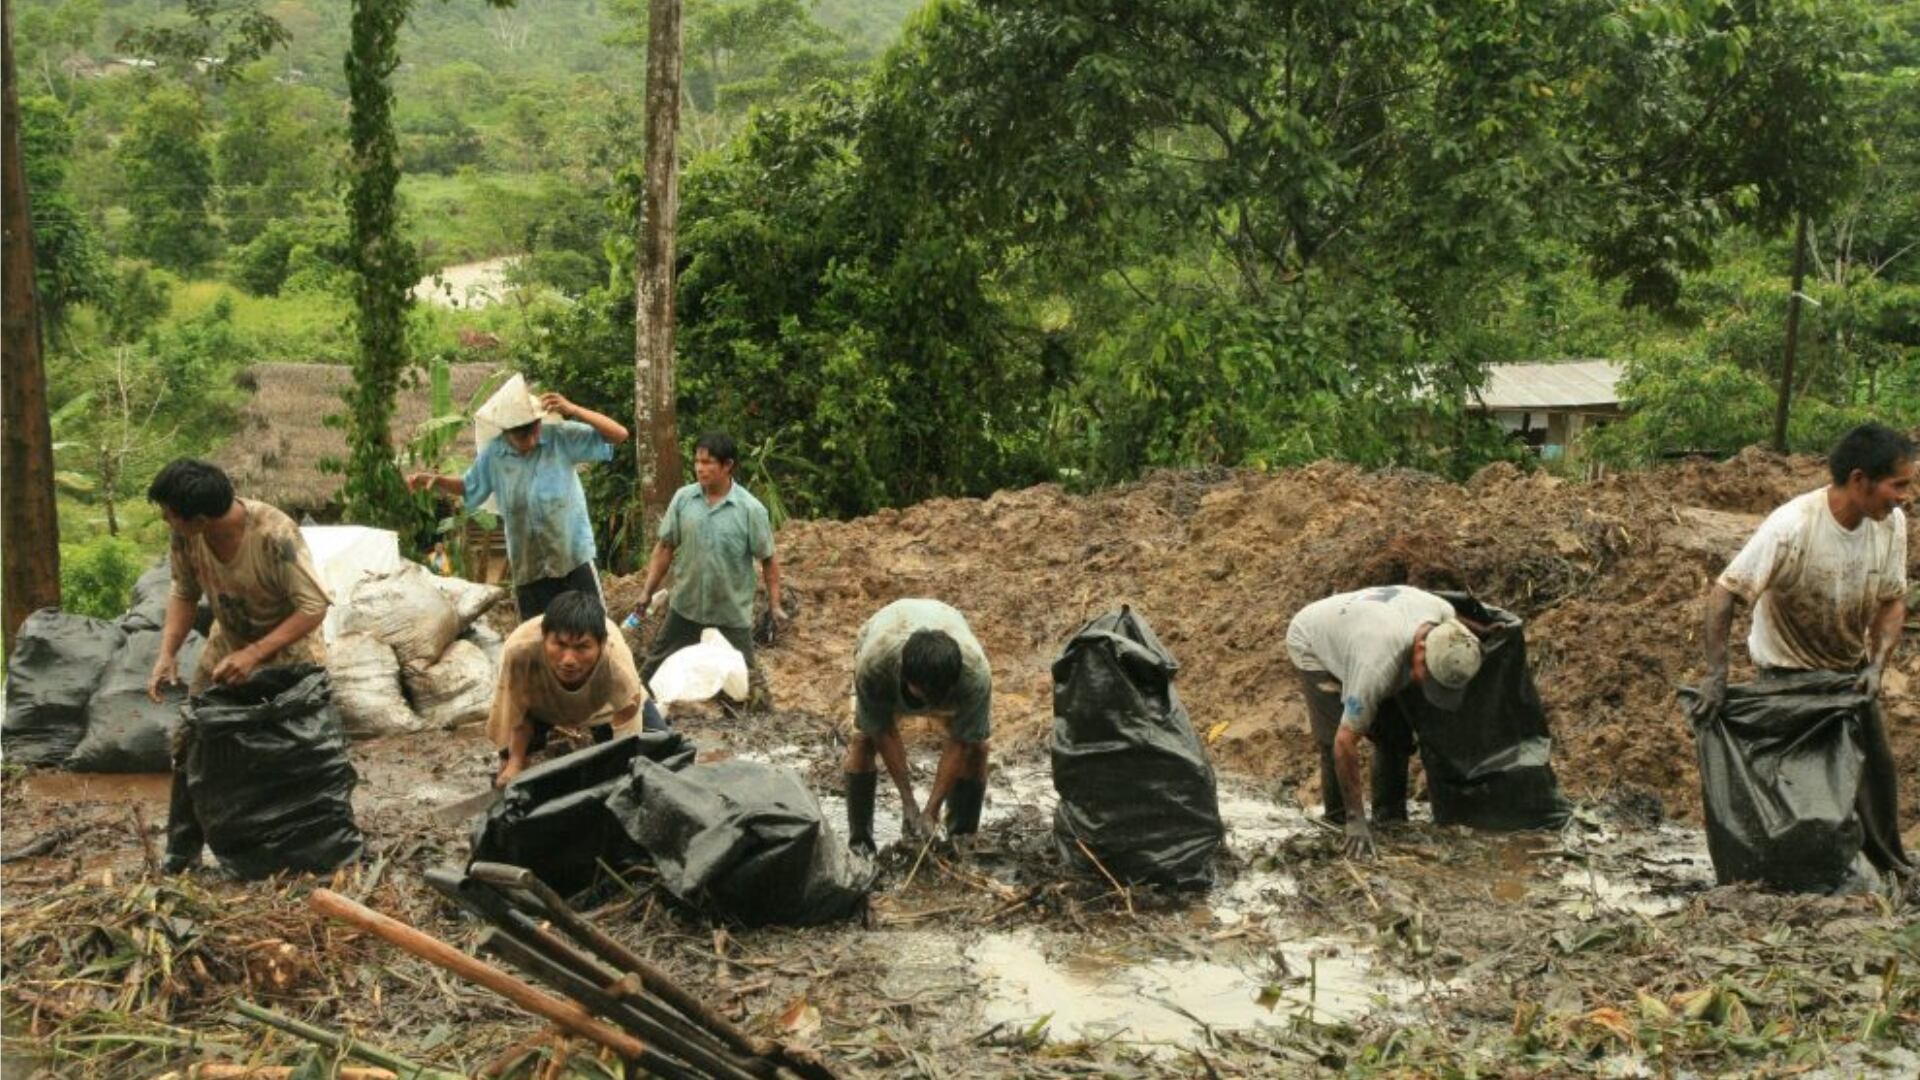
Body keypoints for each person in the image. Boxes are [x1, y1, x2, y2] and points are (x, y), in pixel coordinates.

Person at [1690, 422, 1914, 877]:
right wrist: (1717, 674)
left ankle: (1888, 871)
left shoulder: (1891, 525)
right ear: (1859, 480)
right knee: (1805, 806)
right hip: (1787, 684)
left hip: (1849, 681)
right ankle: (1792, 878)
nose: (1905, 496)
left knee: (1875, 788)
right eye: (1899, 485)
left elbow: (1892, 602)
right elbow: (1724, 592)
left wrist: (1876, 665)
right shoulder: (1793, 526)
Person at [143, 459, 333, 873]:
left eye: (169, 513)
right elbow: (183, 591)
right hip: (226, 646)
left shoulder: (274, 534)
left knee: (289, 753)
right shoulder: (187, 537)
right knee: (193, 741)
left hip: (289, 654)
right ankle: (181, 850)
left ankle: (297, 852)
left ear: (199, 517)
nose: (164, 520)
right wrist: (167, 652)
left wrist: (254, 654)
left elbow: (314, 606)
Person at [1284, 586, 1485, 859]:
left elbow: (1462, 635)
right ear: (1421, 648)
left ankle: (1390, 816)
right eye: (1427, 674)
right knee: (1333, 740)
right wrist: (1357, 820)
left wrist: (1483, 633)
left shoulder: (1445, 617)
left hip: (1369, 622)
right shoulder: (1375, 665)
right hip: (1312, 639)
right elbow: (1346, 742)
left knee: (1396, 737)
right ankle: (1338, 822)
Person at [407, 374, 629, 620]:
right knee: (537, 640)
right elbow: (470, 487)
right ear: (506, 433)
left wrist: (573, 409)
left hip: (572, 559)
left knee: (592, 628)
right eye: (522, 437)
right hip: (529, 567)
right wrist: (439, 481)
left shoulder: (559, 438)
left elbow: (619, 435)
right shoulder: (494, 456)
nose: (532, 440)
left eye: (534, 431)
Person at [636, 432, 781, 709]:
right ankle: (629, 719)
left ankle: (767, 730)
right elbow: (665, 547)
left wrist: (775, 605)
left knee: (747, 683)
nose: (700, 468)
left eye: (708, 462)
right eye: (697, 462)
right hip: (685, 609)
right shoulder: (683, 500)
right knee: (650, 674)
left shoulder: (750, 510)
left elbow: (769, 561)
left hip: (730, 614)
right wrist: (646, 592)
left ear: (728, 466)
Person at [842, 599, 992, 854]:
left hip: (947, 619)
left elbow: (960, 742)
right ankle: (860, 846)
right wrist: (908, 802)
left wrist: (931, 811)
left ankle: (962, 840)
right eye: (926, 695)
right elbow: (883, 731)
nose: (932, 704)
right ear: (905, 677)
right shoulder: (874, 667)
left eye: (940, 694)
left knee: (978, 748)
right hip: (888, 628)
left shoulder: (975, 675)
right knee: (864, 741)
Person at [487, 590, 658, 788]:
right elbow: (517, 711)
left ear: (601, 644)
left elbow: (627, 716)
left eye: (582, 648)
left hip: (602, 708)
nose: (568, 660)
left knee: (660, 751)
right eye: (560, 645)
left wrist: (621, 768)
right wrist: (515, 763)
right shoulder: (520, 651)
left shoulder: (616, 660)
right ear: (544, 638)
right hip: (541, 705)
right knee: (511, 776)